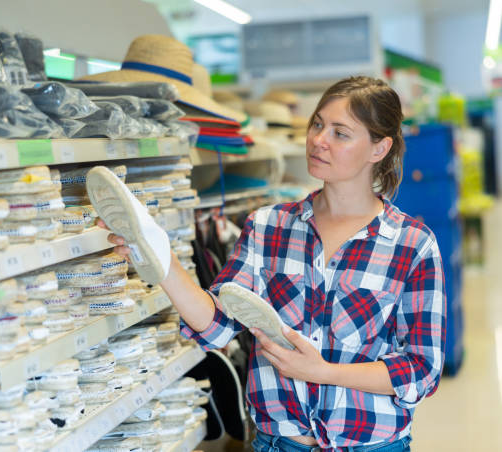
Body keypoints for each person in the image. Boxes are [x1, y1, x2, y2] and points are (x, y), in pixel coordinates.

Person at [97, 76, 446, 452]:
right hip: (278, 444)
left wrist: (323, 372)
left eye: (340, 133)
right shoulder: (269, 226)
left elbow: (421, 370)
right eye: (317, 124)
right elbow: (216, 325)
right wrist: (158, 256)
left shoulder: (412, 245)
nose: (318, 140)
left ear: (379, 148)